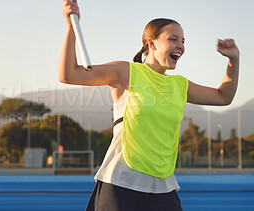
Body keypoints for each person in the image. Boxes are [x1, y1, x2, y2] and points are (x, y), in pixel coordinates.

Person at [60, 1, 239, 210]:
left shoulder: (179, 85)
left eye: (183, 41)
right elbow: (69, 74)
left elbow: (223, 97)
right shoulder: (126, 72)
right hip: (120, 183)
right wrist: (71, 26)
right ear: (152, 44)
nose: (180, 45)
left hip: (163, 186)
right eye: (173, 39)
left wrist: (234, 60)